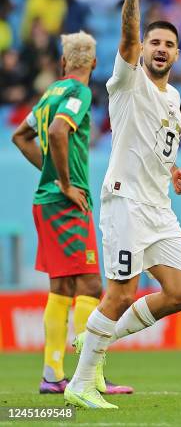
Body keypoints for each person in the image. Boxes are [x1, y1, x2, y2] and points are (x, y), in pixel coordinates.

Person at [65, 0, 181, 409]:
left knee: (180, 294)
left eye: (169, 45)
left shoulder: (174, 100)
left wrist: (173, 172)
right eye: (154, 43)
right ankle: (79, 384)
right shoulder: (126, 79)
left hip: (159, 207)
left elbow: (161, 145)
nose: (160, 49)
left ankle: (95, 338)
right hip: (125, 201)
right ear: (142, 50)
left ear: (178, 55)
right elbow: (127, 37)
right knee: (120, 293)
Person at [11, 32, 131, 395]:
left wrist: (48, 173)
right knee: (93, 286)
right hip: (65, 203)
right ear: (93, 64)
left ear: (63, 63)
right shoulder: (79, 94)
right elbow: (59, 132)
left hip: (44, 202)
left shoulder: (50, 93)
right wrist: (64, 182)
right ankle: (87, 376)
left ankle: (52, 375)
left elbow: (20, 136)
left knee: (61, 288)